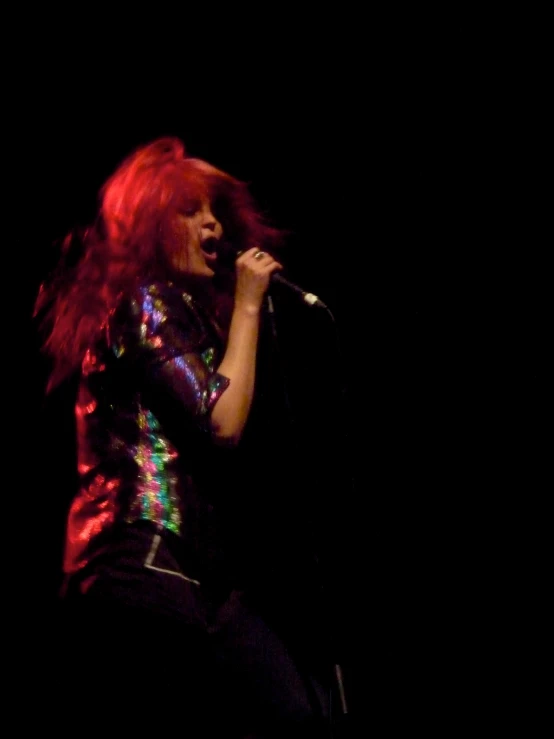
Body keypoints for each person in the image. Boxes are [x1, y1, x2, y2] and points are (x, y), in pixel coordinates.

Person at [34, 136, 333, 737]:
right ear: (149, 223)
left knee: (300, 710)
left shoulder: (186, 312)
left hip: (201, 577)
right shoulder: (144, 301)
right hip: (141, 564)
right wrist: (248, 306)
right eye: (191, 211)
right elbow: (221, 421)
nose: (213, 226)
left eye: (215, 213)